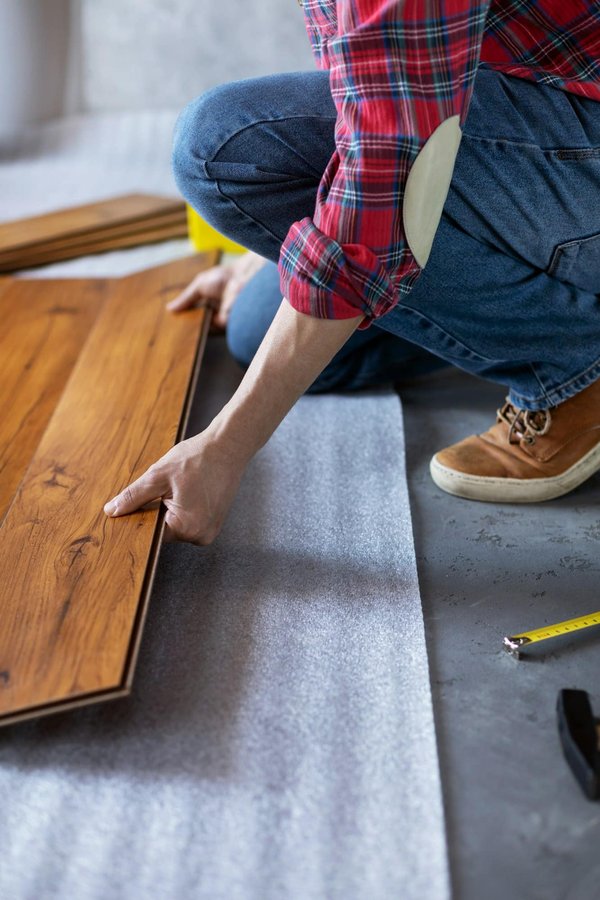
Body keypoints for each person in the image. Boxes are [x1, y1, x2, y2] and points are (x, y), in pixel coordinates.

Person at [104, 0, 600, 543]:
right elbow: (363, 81)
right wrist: (269, 238)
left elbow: (384, 173)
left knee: (220, 146)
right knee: (256, 324)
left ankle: (571, 366)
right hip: (552, 122)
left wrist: (225, 445)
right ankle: (542, 303)